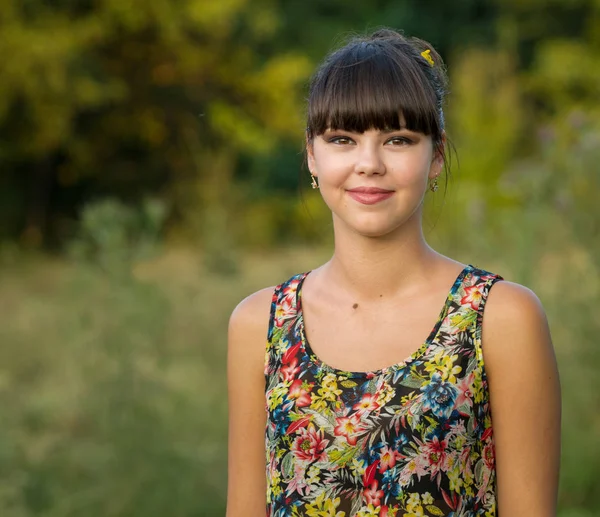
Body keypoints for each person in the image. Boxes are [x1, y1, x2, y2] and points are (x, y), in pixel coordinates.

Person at [226, 28, 561, 517]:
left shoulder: (500, 318)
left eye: (398, 139)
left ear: (437, 155)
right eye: (343, 138)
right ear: (311, 154)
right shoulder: (260, 324)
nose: (369, 164)